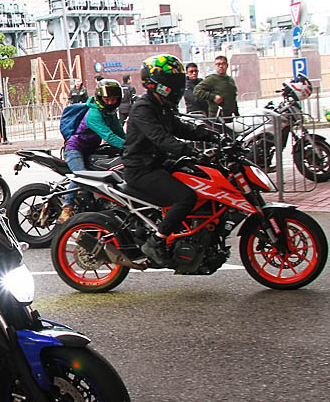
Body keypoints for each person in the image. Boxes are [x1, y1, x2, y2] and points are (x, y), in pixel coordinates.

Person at [122, 55, 217, 266]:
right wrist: (190, 150)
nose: (177, 87)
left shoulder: (161, 105)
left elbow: (180, 127)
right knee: (185, 197)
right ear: (157, 83)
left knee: (199, 176)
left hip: (158, 163)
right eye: (172, 82)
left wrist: (210, 135)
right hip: (141, 169)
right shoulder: (143, 108)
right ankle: (156, 241)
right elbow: (160, 138)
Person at [59, 79, 126, 223]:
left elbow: (119, 132)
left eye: (114, 99)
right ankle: (67, 206)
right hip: (75, 149)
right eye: (107, 99)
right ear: (100, 98)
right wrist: (129, 146)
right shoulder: (94, 114)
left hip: (92, 150)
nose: (110, 102)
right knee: (81, 176)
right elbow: (108, 135)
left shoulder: (110, 113)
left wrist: (132, 143)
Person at [193, 55, 239, 120]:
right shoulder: (211, 79)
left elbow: (233, 97)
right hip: (216, 116)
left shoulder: (230, 80)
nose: (221, 66)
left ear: (227, 65)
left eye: (223, 64)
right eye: (218, 64)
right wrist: (213, 97)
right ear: (215, 66)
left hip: (229, 116)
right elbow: (197, 90)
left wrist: (237, 113)